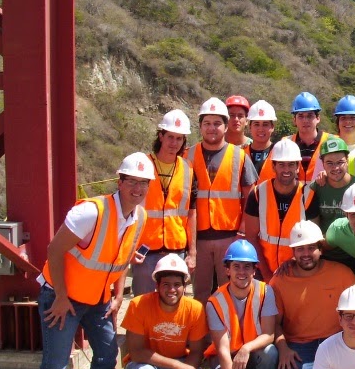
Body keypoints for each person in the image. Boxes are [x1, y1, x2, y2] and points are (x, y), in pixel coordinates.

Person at [31, 152, 153, 369]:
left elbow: (120, 261)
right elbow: (54, 250)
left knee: (106, 355)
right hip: (63, 298)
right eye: (133, 182)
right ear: (120, 182)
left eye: (144, 183)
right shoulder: (91, 212)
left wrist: (116, 297)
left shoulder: (140, 217)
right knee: (54, 367)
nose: (138, 189)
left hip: (97, 300)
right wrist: (58, 297)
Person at [269, 221, 355, 369]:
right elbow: (273, 323)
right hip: (301, 347)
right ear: (293, 252)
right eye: (300, 249)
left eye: (311, 248)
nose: (306, 254)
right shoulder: (280, 280)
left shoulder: (341, 273)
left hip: (337, 341)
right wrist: (283, 348)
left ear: (321, 249)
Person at [204, 239, 280, 369]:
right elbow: (221, 350)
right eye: (236, 266)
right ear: (227, 270)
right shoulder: (214, 302)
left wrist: (246, 348)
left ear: (254, 270)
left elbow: (269, 334)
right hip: (228, 356)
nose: (242, 272)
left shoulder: (265, 291)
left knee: (270, 353)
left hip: (252, 352)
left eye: (247, 266)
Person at [187, 98, 258, 303]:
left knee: (230, 292)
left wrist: (243, 232)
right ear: (200, 126)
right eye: (207, 123)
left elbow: (250, 198)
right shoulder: (188, 155)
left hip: (230, 236)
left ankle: (231, 333)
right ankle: (202, 335)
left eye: (217, 123)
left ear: (226, 126)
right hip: (198, 238)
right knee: (200, 294)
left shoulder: (240, 156)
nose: (212, 128)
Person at [131, 109, 196, 297]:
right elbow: (127, 210)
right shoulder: (142, 166)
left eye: (179, 138)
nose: (174, 143)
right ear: (160, 136)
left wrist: (192, 253)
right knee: (142, 307)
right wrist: (129, 248)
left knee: (173, 310)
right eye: (170, 137)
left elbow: (191, 213)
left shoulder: (188, 169)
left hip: (176, 252)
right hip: (145, 252)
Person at [241, 138, 313, 281]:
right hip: (263, 269)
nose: (286, 169)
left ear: (298, 166)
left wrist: (293, 263)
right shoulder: (258, 194)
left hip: (298, 270)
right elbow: (251, 238)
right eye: (281, 164)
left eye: (291, 164)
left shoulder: (309, 195)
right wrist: (267, 274)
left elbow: (313, 241)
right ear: (273, 166)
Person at [305, 136, 355, 236]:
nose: (335, 168)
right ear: (322, 163)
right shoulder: (315, 188)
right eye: (329, 163)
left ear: (347, 161)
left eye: (340, 162)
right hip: (325, 247)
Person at [289, 91, 329, 183]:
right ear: (294, 120)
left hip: (321, 196)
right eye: (301, 116)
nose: (305, 120)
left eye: (310, 116)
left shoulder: (332, 142)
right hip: (294, 197)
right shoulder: (286, 143)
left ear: (318, 118)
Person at [246, 99, 278, 183]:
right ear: (250, 127)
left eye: (265, 124)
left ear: (272, 127)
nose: (261, 129)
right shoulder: (241, 154)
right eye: (256, 124)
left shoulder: (279, 153)